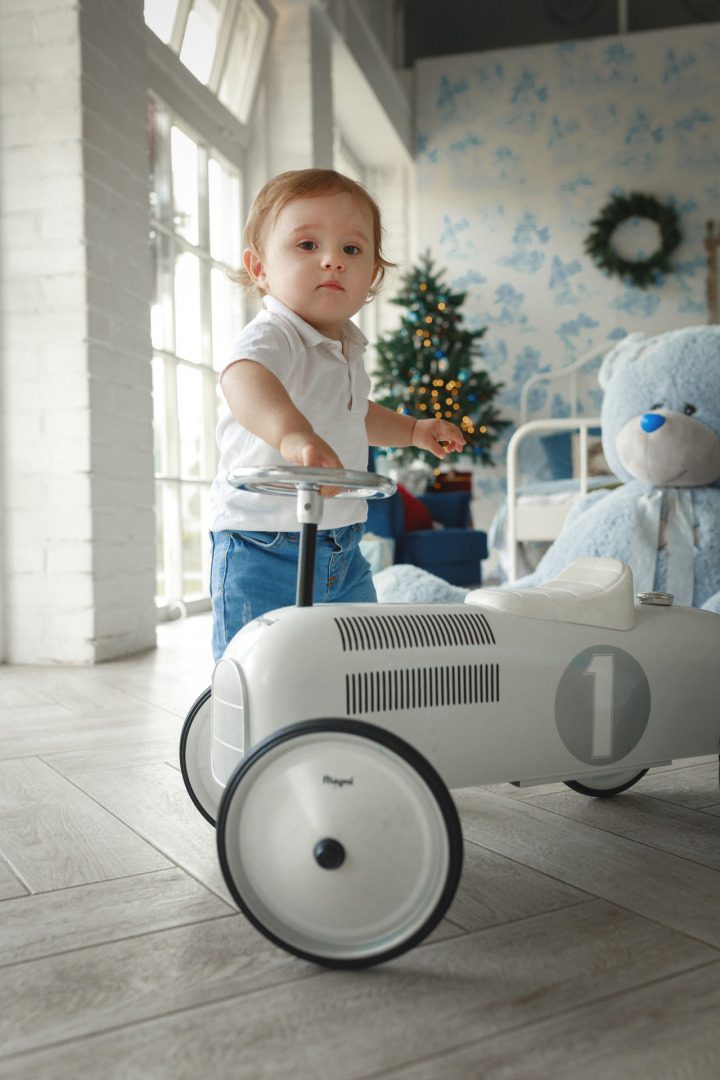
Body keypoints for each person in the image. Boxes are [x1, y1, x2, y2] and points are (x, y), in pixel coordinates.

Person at [209, 168, 466, 660]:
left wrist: (413, 430)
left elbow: (356, 413)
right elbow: (243, 379)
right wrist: (292, 437)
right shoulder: (276, 334)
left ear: (372, 274)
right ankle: (247, 730)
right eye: (307, 245)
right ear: (260, 268)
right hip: (263, 544)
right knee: (254, 665)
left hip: (342, 544)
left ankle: (339, 724)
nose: (332, 260)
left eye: (351, 250)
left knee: (353, 657)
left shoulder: (345, 346)